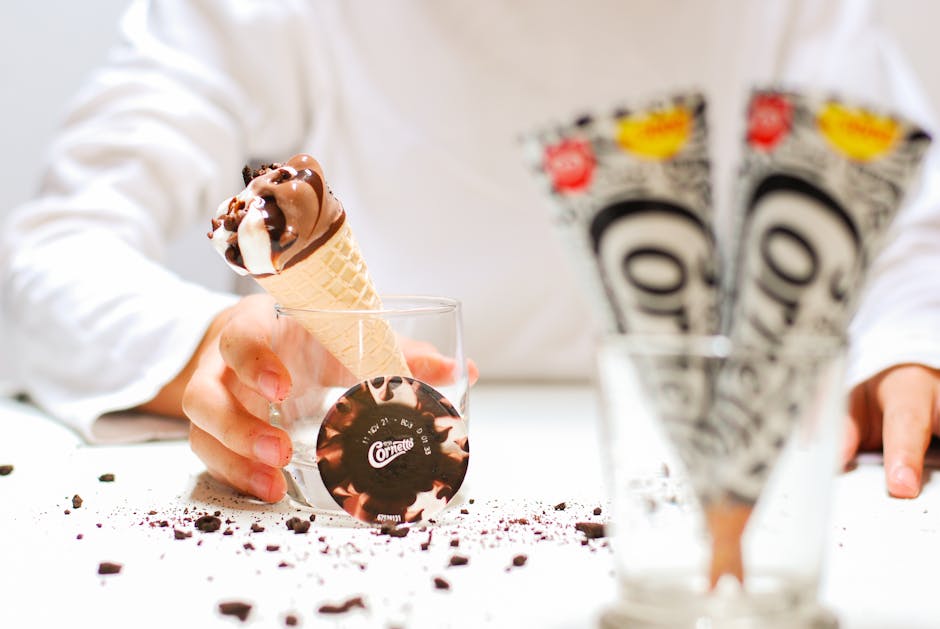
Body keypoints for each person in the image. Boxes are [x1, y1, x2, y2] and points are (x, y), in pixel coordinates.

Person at [2, 0, 940, 502]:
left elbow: (907, 219)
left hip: (705, 480)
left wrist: (906, 339)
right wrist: (201, 345)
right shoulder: (272, 15)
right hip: (337, 518)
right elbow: (51, 248)